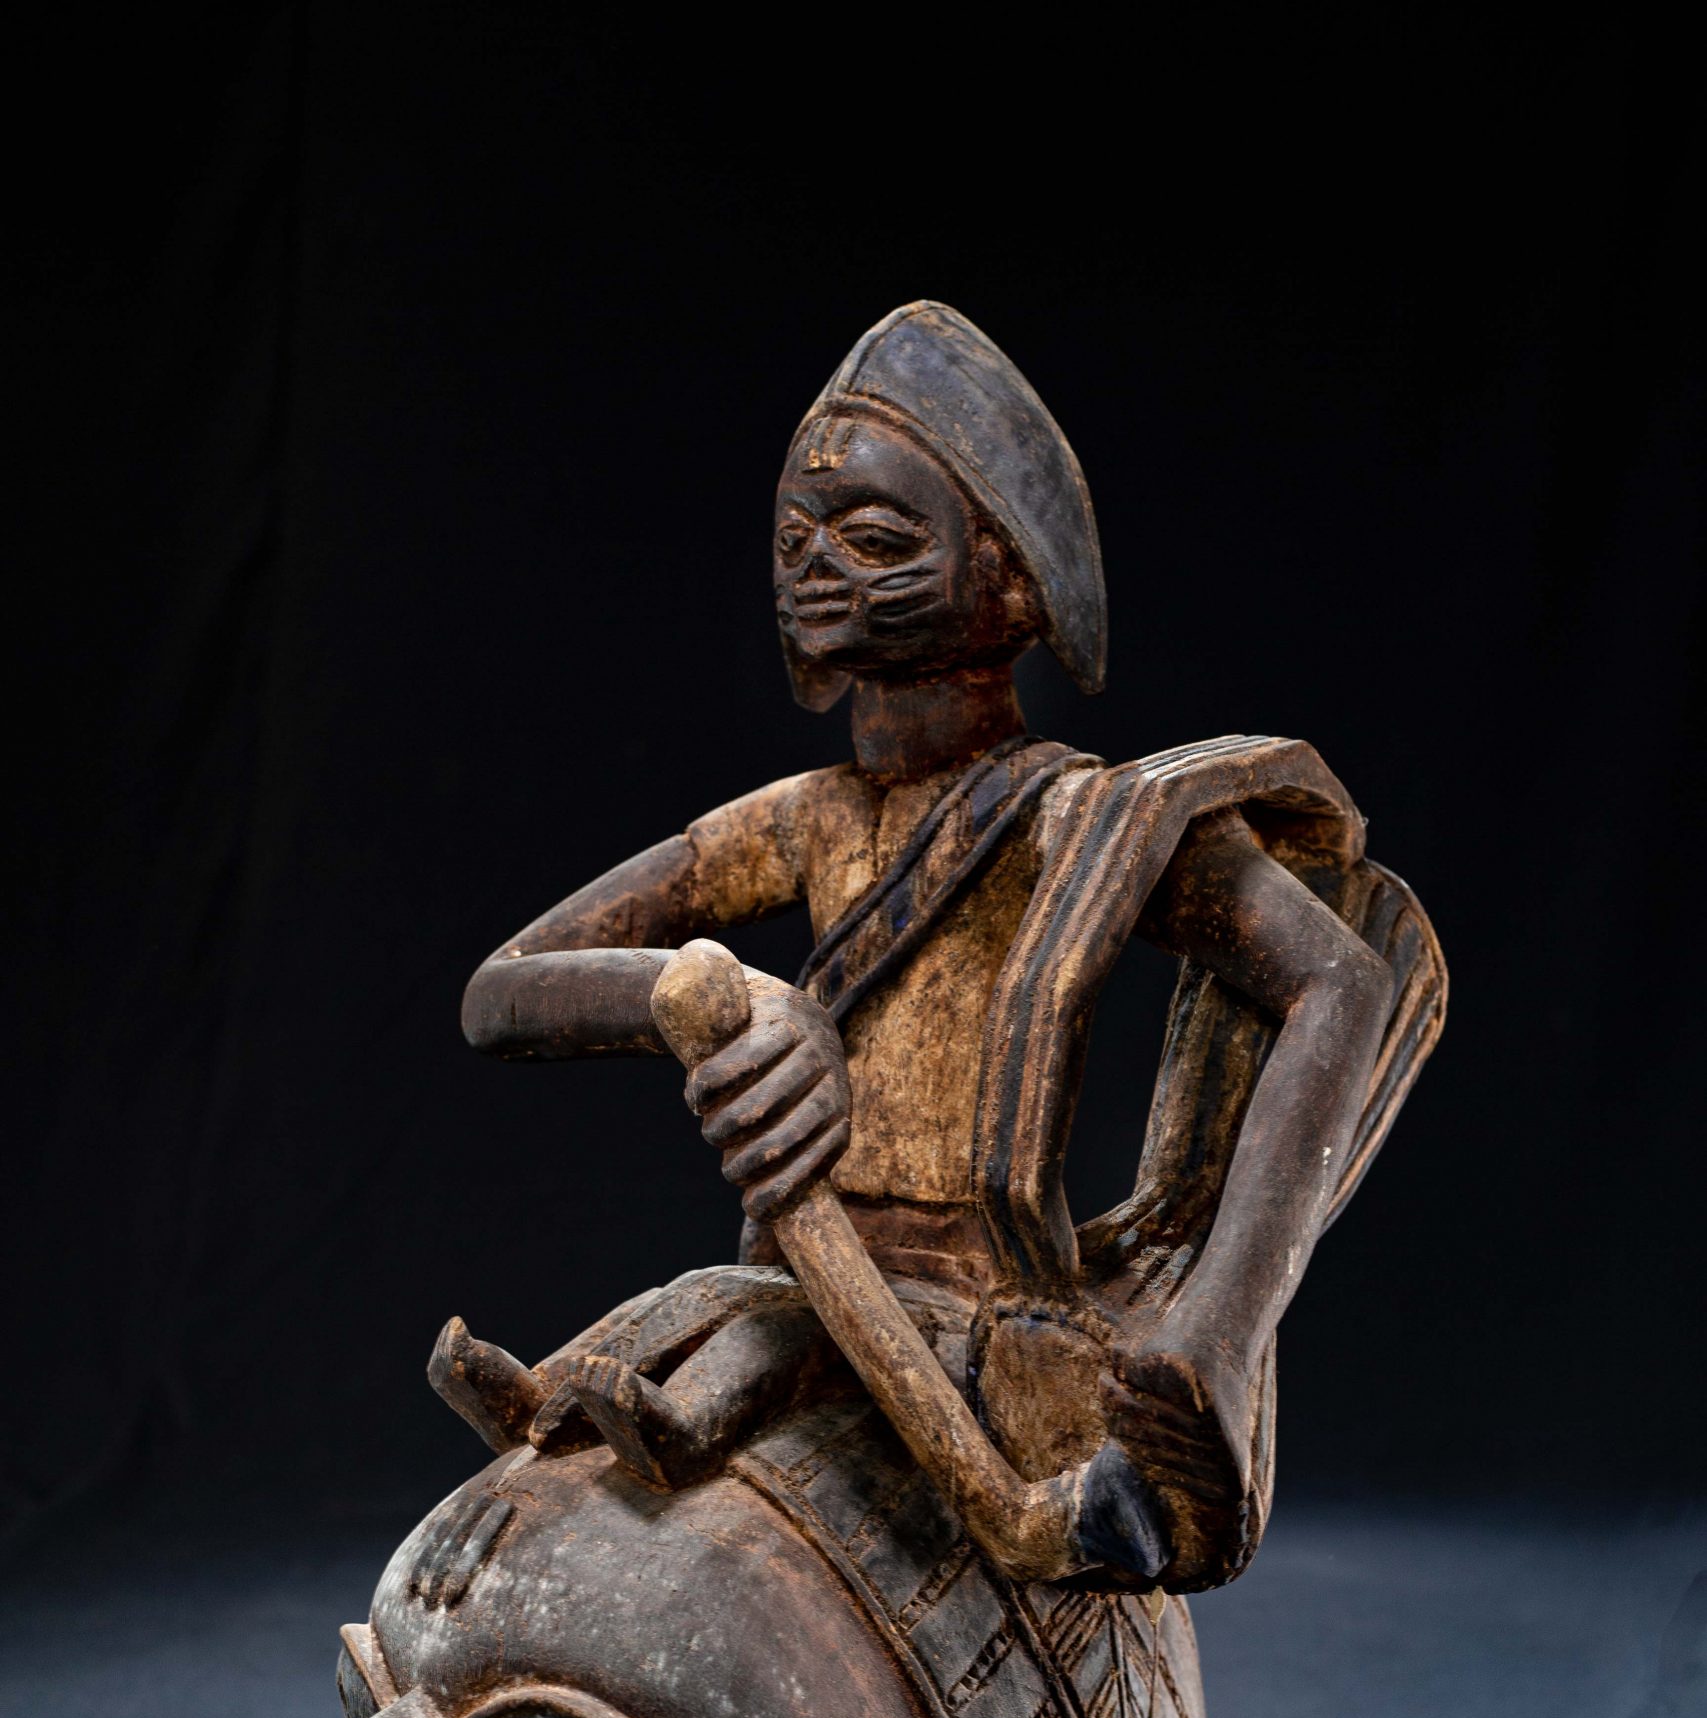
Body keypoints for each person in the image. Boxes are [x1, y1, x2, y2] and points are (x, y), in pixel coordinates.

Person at [456, 303, 1430, 1591]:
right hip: (799, 1277)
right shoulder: (803, 822)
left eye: (875, 539)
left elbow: (1345, 979)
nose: (816, 568)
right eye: (795, 540)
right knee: (719, 1333)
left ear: (1010, 582)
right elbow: (501, 993)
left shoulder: (1086, 823)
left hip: (986, 1319)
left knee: (838, 1375)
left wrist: (1221, 1323)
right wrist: (726, 997)